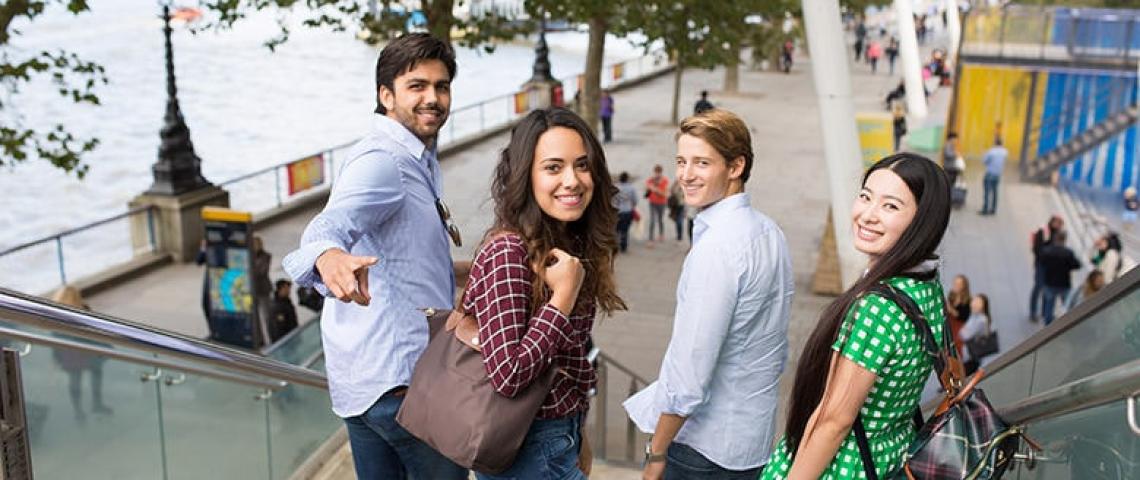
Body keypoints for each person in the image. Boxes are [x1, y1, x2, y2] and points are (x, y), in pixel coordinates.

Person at [281, 33, 468, 480]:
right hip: (404, 386)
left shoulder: (416, 156)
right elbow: (325, 228)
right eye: (417, 86)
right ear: (386, 96)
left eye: (441, 87)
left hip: (365, 386)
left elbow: (400, 258)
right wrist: (329, 257)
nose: (433, 98)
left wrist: (470, 269)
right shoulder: (385, 160)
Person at [760, 153, 952, 479]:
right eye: (865, 197)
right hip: (889, 456)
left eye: (890, 206)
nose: (868, 215)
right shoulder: (925, 284)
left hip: (843, 466)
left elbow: (834, 422)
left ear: (922, 222)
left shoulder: (876, 309)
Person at [625, 109, 794, 479]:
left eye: (702, 163)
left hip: (704, 449)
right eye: (682, 161)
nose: (685, 175)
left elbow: (688, 376)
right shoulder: (770, 233)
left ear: (736, 167)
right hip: (751, 443)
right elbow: (776, 347)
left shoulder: (717, 250)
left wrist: (656, 455)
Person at [465, 107, 626, 479]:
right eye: (553, 168)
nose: (572, 180)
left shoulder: (568, 241)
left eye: (582, 165)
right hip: (524, 447)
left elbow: (570, 359)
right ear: (527, 176)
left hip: (560, 435)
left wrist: (578, 431)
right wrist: (562, 299)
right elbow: (507, 375)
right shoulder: (510, 252)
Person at [50, 286, 112, 421]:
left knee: (75, 381)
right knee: (96, 373)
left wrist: (56, 358)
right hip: (87, 350)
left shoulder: (56, 313)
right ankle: (96, 403)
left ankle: (78, 411)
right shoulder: (83, 309)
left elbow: (55, 338)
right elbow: (94, 330)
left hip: (70, 353)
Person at [1039, 230, 1081, 326]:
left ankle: (1047, 327)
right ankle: (1066, 325)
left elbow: (1042, 263)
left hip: (1050, 283)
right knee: (1066, 306)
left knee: (1049, 306)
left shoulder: (1047, 251)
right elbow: (1077, 265)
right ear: (1064, 240)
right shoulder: (1068, 253)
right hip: (1064, 284)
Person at [1029, 215, 1064, 322]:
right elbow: (1037, 249)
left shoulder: (1058, 233)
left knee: (1047, 289)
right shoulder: (1044, 231)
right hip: (1041, 264)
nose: (1059, 226)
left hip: (1051, 267)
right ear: (1052, 222)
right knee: (1038, 287)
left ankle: (1045, 312)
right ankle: (1033, 312)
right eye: (1058, 223)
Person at [960, 293, 995, 376]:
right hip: (969, 354)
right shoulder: (974, 315)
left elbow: (965, 335)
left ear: (983, 307)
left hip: (972, 356)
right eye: (974, 301)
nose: (974, 304)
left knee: (964, 375)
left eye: (978, 303)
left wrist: (961, 331)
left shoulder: (981, 320)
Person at [251, 235, 273, 347]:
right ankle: (260, 340)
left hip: (263, 290)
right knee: (255, 318)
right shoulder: (249, 256)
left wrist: (251, 270)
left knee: (267, 316)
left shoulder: (266, 256)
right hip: (253, 291)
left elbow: (262, 272)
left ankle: (272, 337)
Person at [980, 137, 1007, 215]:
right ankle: (993, 209)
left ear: (995, 143)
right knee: (995, 192)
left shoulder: (991, 152)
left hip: (990, 173)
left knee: (987, 192)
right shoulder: (1005, 152)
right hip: (998, 174)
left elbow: (984, 161)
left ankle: (985, 209)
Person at [945, 274, 971, 357]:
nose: (956, 286)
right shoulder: (952, 295)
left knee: (957, 348)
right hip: (950, 324)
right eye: (955, 283)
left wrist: (951, 309)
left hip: (959, 327)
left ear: (964, 286)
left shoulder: (968, 300)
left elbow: (963, 316)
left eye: (958, 284)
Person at [267, 279, 298, 343]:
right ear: (280, 289)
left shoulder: (286, 302)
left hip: (292, 338)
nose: (289, 290)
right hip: (286, 342)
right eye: (286, 288)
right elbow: (278, 329)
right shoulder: (277, 306)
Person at [614, 171, 638, 252]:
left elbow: (612, 200)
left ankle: (615, 246)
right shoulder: (631, 188)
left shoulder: (616, 187)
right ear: (627, 179)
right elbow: (635, 200)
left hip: (617, 211)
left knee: (616, 230)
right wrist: (632, 205)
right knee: (625, 230)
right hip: (627, 211)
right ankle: (623, 246)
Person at [645, 164, 669, 244]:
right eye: (656, 172)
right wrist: (649, 188)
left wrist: (655, 189)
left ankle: (661, 234)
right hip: (652, 203)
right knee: (652, 221)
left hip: (662, 203)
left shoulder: (665, 181)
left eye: (659, 172)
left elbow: (665, 194)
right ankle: (650, 239)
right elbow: (646, 189)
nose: (657, 174)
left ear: (661, 172)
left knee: (660, 219)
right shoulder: (650, 180)